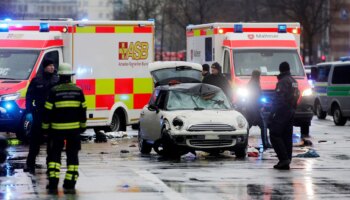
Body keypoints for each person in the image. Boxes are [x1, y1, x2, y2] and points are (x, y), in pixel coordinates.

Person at [42, 63, 87, 193]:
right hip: (74, 131)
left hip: (56, 131)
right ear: (70, 76)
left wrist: (45, 128)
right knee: (72, 156)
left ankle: (53, 182)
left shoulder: (54, 91)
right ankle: (70, 182)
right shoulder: (78, 91)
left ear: (60, 76)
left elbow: (47, 111)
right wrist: (82, 127)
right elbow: (83, 110)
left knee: (54, 156)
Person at [25, 59, 58, 174]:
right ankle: (30, 164)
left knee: (52, 141)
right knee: (35, 140)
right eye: (49, 66)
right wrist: (30, 109)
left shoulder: (57, 79)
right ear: (44, 67)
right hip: (40, 113)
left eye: (53, 65)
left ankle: (51, 164)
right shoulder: (37, 80)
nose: (52, 68)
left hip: (53, 115)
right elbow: (29, 96)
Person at [268, 62, 300, 170]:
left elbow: (278, 100)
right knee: (287, 136)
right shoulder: (294, 81)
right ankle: (287, 160)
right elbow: (297, 96)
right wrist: (293, 108)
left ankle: (283, 159)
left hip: (283, 111)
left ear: (280, 70)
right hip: (291, 111)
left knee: (274, 133)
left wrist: (271, 114)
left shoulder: (283, 82)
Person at [245, 70, 271, 150]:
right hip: (256, 109)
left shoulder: (250, 84)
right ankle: (265, 143)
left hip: (250, 109)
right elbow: (257, 97)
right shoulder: (255, 85)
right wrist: (261, 105)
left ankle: (244, 142)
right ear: (257, 76)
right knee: (263, 126)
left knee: (247, 127)